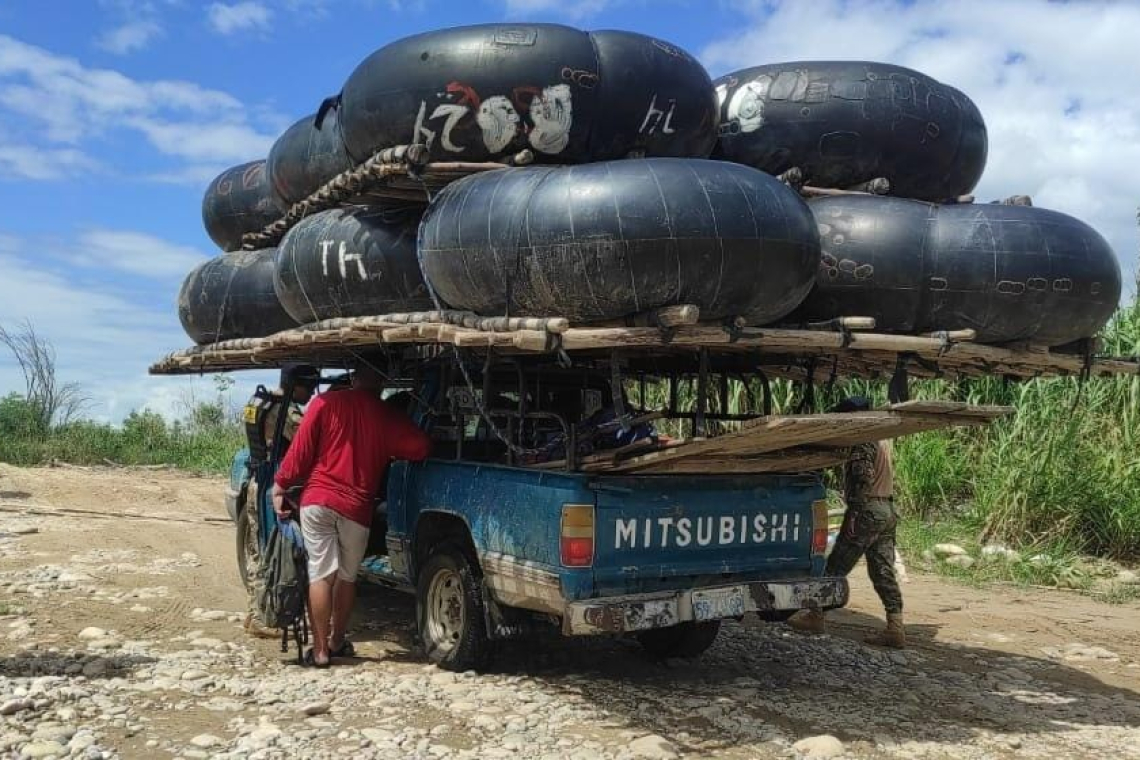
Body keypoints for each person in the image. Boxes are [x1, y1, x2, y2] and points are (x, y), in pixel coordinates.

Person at [271, 362, 431, 667]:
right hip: (356, 509)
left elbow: (300, 453)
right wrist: (388, 448)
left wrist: (280, 486)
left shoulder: (324, 403)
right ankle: (336, 641)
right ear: (382, 384)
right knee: (346, 577)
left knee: (321, 572)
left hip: (317, 501)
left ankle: (319, 652)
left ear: (354, 378)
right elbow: (421, 446)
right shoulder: (386, 416)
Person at [787, 396, 905, 648]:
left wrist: (855, 513)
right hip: (887, 508)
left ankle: (815, 614)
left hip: (868, 510)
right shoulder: (882, 438)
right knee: (883, 570)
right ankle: (895, 625)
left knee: (837, 563)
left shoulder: (863, 441)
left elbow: (862, 477)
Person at [241, 364, 320, 639]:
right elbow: (308, 440)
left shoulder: (259, 400)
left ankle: (255, 611)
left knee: (258, 551)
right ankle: (264, 616)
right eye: (308, 387)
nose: (311, 393)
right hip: (271, 486)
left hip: (256, 480)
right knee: (276, 555)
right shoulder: (284, 410)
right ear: (294, 384)